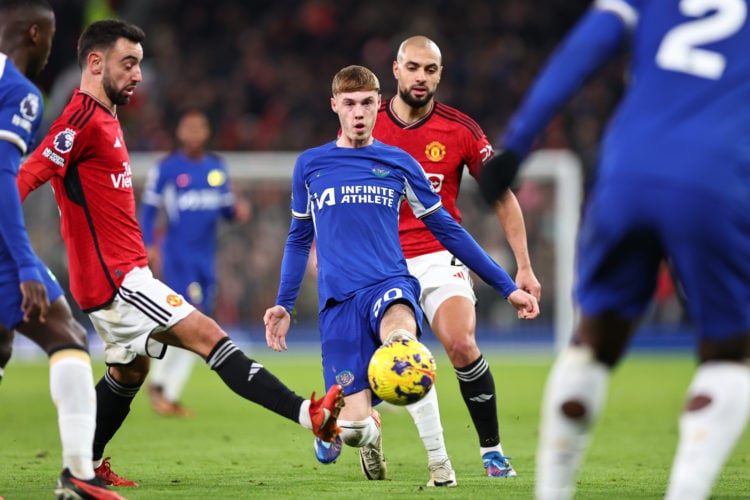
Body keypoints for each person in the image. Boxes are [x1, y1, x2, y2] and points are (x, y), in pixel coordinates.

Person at [17, 18, 344, 488]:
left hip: (117, 277)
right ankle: (307, 414)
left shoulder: (104, 119)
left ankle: (84, 464)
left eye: (139, 65)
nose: (138, 75)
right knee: (209, 336)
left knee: (130, 370)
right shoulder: (80, 120)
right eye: (128, 63)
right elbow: (27, 174)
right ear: (95, 62)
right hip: (118, 279)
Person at [478, 2, 750, 499]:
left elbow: (582, 51)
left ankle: (552, 492)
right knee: (729, 353)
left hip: (626, 168)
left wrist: (516, 145)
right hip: (719, 176)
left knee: (594, 341)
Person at [263, 65, 539, 484]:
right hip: (339, 302)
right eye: (350, 104)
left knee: (404, 348)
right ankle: (365, 432)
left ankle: (440, 464)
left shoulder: (398, 162)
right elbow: (299, 238)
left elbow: (448, 228)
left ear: (379, 105)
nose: (359, 113)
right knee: (355, 431)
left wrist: (505, 287)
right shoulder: (311, 165)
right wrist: (284, 303)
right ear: (335, 106)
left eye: (367, 103)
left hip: (390, 284)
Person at [373, 35, 542, 481]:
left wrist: (523, 267)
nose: (421, 77)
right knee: (400, 351)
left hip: (439, 255)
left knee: (462, 345)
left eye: (430, 70)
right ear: (396, 69)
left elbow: (501, 198)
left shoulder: (460, 129)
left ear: (440, 74)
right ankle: (364, 425)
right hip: (383, 262)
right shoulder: (364, 125)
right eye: (413, 68)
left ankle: (493, 453)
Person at [0, 1, 124, 498]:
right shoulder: (18, 91)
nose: (52, 48)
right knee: (66, 333)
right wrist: (26, 261)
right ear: (35, 34)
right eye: (50, 37)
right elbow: (3, 176)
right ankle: (78, 474)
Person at [140, 109, 251, 417]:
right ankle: (160, 387)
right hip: (179, 257)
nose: (194, 133)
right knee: (189, 321)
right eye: (188, 127)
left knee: (197, 322)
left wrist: (238, 211)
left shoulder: (217, 168)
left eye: (199, 127)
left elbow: (226, 209)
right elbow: (148, 210)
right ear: (180, 132)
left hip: (206, 259)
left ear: (206, 132)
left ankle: (164, 391)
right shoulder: (167, 168)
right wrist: (148, 244)